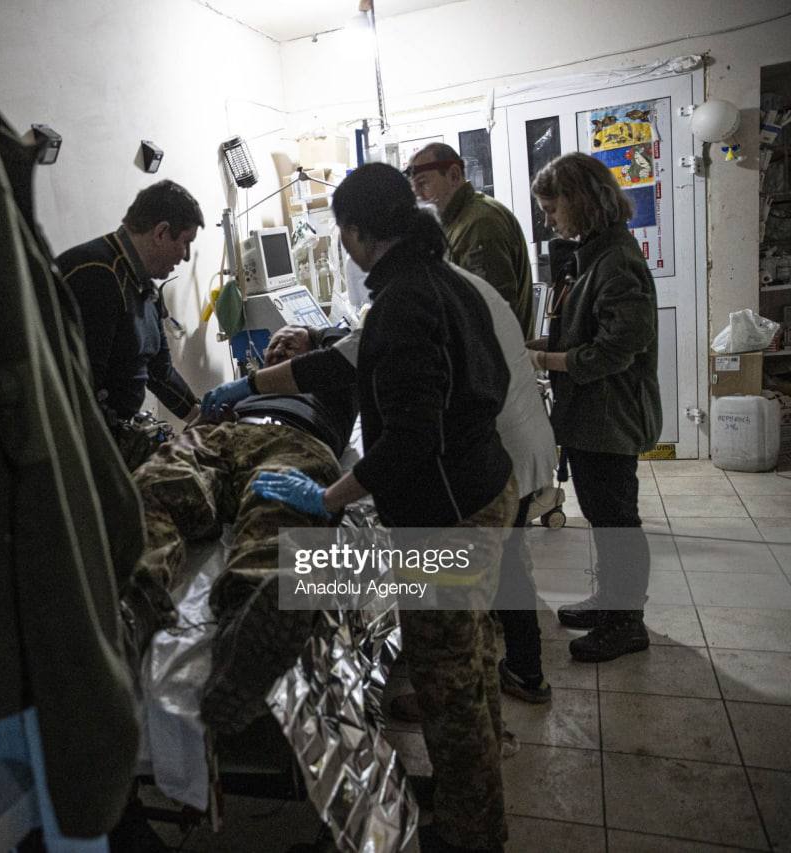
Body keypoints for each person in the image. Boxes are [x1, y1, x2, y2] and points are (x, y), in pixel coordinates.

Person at [251, 164, 516, 853]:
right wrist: (251, 386)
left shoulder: (403, 302)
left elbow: (408, 441)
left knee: (447, 681)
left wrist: (328, 495)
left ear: (356, 231)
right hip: (484, 489)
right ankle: (473, 793)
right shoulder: (441, 280)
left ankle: (470, 832)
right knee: (472, 658)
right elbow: (349, 361)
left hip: (449, 516)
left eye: (342, 231)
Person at [120, 326, 358, 733]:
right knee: (158, 481)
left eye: (292, 340)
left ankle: (250, 631)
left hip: (294, 439)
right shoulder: (243, 392)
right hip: (222, 436)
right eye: (275, 342)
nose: (279, 345)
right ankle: (134, 604)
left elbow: (345, 345)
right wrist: (207, 418)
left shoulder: (332, 376)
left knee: (277, 507)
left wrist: (307, 338)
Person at [529, 152, 662, 663]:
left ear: (580, 201)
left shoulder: (617, 261)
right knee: (603, 516)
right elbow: (586, 329)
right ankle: (612, 603)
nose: (549, 221)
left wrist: (548, 359)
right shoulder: (596, 255)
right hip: (591, 416)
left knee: (616, 521)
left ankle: (627, 624)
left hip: (609, 415)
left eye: (552, 208)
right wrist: (539, 344)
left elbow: (616, 348)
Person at [57, 181, 203, 458]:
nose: (185, 256)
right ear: (161, 232)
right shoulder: (96, 274)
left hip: (116, 435)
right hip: (85, 446)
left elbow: (160, 373)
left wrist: (202, 415)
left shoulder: (144, 287)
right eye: (185, 242)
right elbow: (81, 390)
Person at [407, 142, 534, 335]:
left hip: (494, 352)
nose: (417, 195)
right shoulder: (459, 221)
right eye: (413, 187)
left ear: (454, 175)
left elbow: (492, 314)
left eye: (423, 183)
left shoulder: (479, 224)